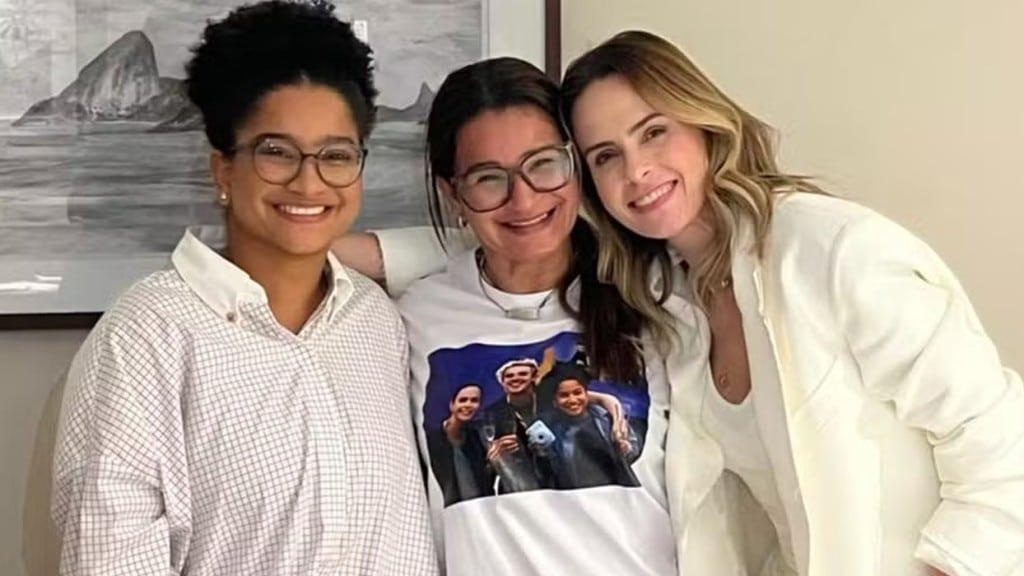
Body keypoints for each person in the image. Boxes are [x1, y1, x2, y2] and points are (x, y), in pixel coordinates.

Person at [559, 30, 1024, 576]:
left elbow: (1001, 444)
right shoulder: (671, 311)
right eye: (606, 156)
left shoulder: (834, 250)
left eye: (654, 132)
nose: (635, 170)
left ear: (703, 123)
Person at [50, 2, 436, 574]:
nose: (310, 181)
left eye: (336, 155)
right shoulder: (146, 338)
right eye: (276, 152)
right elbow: (110, 560)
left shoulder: (375, 320)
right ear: (224, 170)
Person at [338, 57, 676, 575]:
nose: (523, 199)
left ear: (575, 165)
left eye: (543, 164)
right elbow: (293, 256)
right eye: (488, 178)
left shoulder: (652, 295)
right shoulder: (417, 316)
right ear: (453, 193)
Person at [426, 383, 492, 506]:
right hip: (451, 509)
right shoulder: (431, 440)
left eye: (474, 400)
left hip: (480, 506)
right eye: (463, 400)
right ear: (452, 404)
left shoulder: (475, 437)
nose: (468, 405)